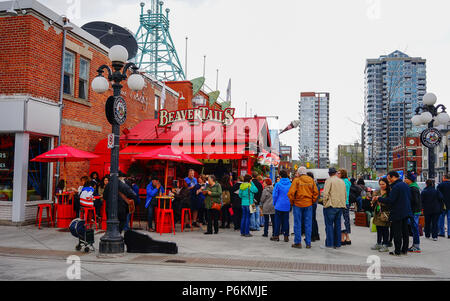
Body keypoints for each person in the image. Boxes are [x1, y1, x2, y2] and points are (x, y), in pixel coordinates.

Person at [373, 171, 413, 256]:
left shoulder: (395, 187)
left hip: (397, 212)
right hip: (406, 211)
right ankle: (404, 250)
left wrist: (378, 199)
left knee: (397, 232)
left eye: (388, 178)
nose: (388, 180)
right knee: (405, 232)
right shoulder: (405, 185)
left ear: (393, 177)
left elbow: (390, 200)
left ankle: (397, 251)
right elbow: (410, 198)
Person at [288, 166, 319, 249]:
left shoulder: (296, 180)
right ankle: (308, 243)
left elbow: (291, 193)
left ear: (299, 173)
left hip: (298, 204)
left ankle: (298, 242)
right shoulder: (311, 180)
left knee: (297, 224)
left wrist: (292, 202)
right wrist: (312, 201)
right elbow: (316, 193)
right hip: (308, 204)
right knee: (308, 224)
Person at [320, 167, 347, 249]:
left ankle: (329, 243)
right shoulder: (341, 181)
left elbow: (326, 193)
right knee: (338, 225)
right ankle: (337, 243)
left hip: (331, 205)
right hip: (340, 205)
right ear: (335, 173)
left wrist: (325, 203)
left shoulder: (329, 181)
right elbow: (345, 194)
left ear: (329, 173)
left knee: (329, 225)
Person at [371, 178, 391, 253]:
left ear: (387, 184)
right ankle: (378, 243)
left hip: (385, 213)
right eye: (380, 184)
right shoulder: (377, 191)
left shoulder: (390, 192)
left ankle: (385, 244)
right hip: (377, 212)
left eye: (383, 184)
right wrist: (373, 200)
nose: (381, 186)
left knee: (385, 229)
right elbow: (372, 201)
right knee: (378, 228)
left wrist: (380, 200)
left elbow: (390, 202)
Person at [271, 170, 292, 242]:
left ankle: (276, 235)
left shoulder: (278, 184)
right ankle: (286, 236)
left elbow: (274, 195)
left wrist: (274, 203)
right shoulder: (290, 184)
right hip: (287, 205)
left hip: (279, 205)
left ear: (280, 176)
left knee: (277, 221)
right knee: (286, 221)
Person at [404, 172, 422, 253]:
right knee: (414, 228)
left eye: (406, 178)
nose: (404, 180)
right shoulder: (414, 187)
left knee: (414, 228)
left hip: (414, 211)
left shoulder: (413, 188)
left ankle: (416, 246)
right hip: (415, 211)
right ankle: (416, 245)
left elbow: (415, 201)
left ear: (409, 180)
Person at [338, 169, 352, 246]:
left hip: (342, 202)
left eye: (339, 173)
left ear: (342, 174)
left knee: (343, 220)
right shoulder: (347, 181)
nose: (337, 174)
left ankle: (342, 237)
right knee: (346, 219)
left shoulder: (342, 182)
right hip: (346, 202)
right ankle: (347, 237)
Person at [307, 172, 321, 241]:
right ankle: (316, 235)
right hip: (314, 203)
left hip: (311, 203)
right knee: (313, 219)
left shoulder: (312, 184)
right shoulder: (316, 183)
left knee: (311, 220)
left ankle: (312, 236)